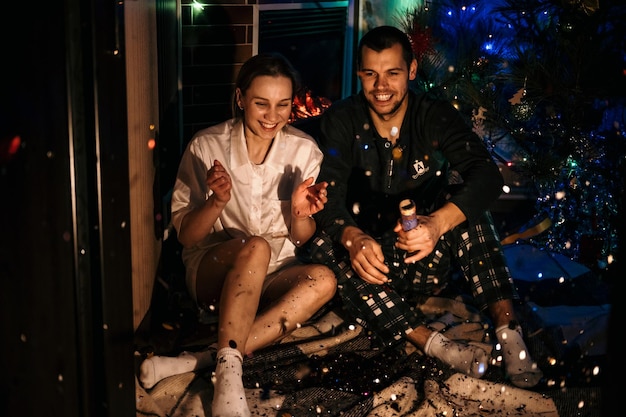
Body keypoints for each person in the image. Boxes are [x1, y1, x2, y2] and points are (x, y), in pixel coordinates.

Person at [308, 25, 543, 389]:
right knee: (323, 243)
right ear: (359, 73)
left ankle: (509, 334)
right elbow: (328, 196)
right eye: (370, 73)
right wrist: (352, 236)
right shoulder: (342, 120)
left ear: (412, 71)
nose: (381, 86)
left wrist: (437, 224)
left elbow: (487, 177)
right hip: (371, 270)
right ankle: (434, 345)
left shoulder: (434, 115)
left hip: (429, 257)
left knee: (468, 205)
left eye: (392, 73)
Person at [138, 53, 336, 417]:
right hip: (215, 269)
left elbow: (302, 238)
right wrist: (217, 201)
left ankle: (204, 359)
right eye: (261, 104)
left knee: (323, 279)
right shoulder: (206, 146)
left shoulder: (304, 151)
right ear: (241, 98)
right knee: (256, 247)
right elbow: (186, 236)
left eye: (283, 105)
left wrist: (298, 212)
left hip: (275, 270)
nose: (272, 116)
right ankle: (229, 382)